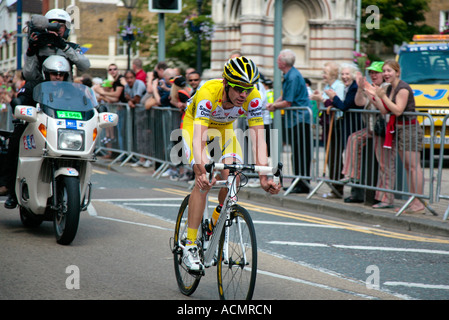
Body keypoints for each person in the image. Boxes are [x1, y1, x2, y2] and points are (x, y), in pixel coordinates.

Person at [180, 56, 281, 271]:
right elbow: (198, 138)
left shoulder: (253, 98)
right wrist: (200, 170)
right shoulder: (208, 93)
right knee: (203, 180)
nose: (243, 94)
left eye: (248, 88)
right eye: (238, 89)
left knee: (233, 174)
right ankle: (189, 246)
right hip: (195, 127)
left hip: (225, 131)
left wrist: (264, 176)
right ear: (226, 83)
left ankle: (214, 224)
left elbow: (258, 138)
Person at [1, 56, 70, 208]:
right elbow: (20, 101)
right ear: (46, 73)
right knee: (15, 143)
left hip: (59, 130)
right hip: (34, 127)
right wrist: (21, 106)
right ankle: (11, 190)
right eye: (54, 73)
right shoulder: (33, 86)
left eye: (61, 74)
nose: (58, 76)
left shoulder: (69, 90)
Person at [368, 60, 425, 214]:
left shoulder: (403, 88)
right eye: (384, 71)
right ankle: (412, 200)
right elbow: (385, 111)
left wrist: (383, 97)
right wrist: (374, 95)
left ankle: (418, 203)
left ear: (397, 72)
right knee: (408, 167)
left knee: (414, 167)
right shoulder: (389, 89)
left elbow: (398, 110)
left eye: (389, 71)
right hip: (398, 130)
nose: (386, 74)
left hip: (410, 129)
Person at [342, 61, 396, 209]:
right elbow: (359, 103)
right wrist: (361, 89)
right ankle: (352, 175)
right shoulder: (371, 88)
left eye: (376, 72)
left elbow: (383, 107)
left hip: (384, 130)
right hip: (372, 130)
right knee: (353, 138)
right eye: (371, 72)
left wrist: (368, 89)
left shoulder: (386, 87)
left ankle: (386, 197)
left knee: (385, 165)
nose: (373, 75)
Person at [267, 49, 312, 194]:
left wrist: (273, 106)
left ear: (283, 63)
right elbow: (285, 97)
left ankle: (302, 182)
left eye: (278, 59)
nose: (276, 62)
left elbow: (288, 102)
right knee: (297, 152)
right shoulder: (290, 75)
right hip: (296, 118)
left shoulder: (292, 77)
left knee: (300, 152)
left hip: (299, 118)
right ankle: (299, 181)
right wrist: (273, 104)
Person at [325, 63, 365, 203]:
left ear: (353, 75)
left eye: (347, 74)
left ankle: (358, 193)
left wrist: (333, 97)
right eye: (342, 74)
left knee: (356, 160)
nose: (344, 77)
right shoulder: (350, 87)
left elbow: (345, 107)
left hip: (356, 127)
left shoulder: (354, 87)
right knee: (353, 160)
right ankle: (355, 192)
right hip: (349, 127)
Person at [23, 9, 90, 81]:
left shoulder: (72, 47)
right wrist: (31, 51)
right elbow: (28, 75)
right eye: (53, 25)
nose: (58, 29)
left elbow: (85, 66)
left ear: (66, 28)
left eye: (61, 26)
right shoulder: (38, 47)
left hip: (65, 89)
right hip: (43, 89)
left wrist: (64, 47)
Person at [311, 61, 345, 198]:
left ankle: (337, 188)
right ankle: (334, 187)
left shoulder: (339, 86)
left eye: (325, 72)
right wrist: (319, 99)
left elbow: (338, 104)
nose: (322, 75)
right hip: (326, 124)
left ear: (332, 74)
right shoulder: (327, 86)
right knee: (330, 157)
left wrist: (321, 99)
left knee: (335, 157)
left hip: (336, 124)